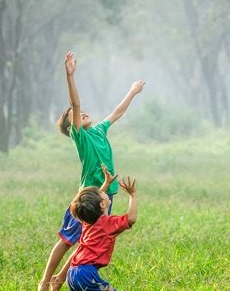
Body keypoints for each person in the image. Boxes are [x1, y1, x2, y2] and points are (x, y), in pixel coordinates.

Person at [39, 51, 144, 291]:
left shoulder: (98, 130)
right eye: (73, 115)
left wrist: (132, 91)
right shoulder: (81, 137)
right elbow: (76, 104)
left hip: (107, 192)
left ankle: (59, 281)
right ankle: (45, 282)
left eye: (80, 113)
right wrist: (70, 76)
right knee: (67, 240)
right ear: (71, 125)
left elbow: (117, 112)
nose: (81, 112)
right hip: (88, 196)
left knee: (89, 239)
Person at [66, 174, 138, 291]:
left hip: (72, 274)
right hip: (86, 274)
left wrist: (106, 183)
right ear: (102, 204)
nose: (102, 191)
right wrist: (133, 195)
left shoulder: (88, 221)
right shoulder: (107, 223)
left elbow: (92, 203)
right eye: (101, 192)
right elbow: (131, 218)